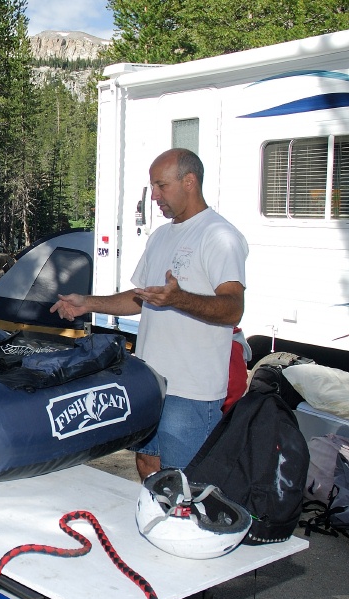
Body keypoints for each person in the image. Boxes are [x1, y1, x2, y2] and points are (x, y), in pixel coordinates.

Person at [51, 148, 248, 480]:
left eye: (161, 186)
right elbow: (142, 298)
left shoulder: (219, 236)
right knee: (147, 465)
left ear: (189, 181)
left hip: (191, 392)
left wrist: (180, 299)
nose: (154, 196)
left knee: (185, 483)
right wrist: (88, 303)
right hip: (150, 383)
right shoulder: (161, 236)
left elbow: (233, 308)